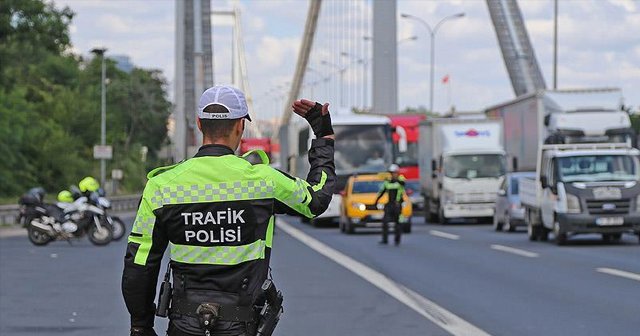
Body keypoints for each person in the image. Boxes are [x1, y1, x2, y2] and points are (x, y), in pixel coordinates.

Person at [122, 85, 336, 336]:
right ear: (240, 127)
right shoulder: (263, 181)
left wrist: (140, 325)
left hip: (184, 325)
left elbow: (139, 264)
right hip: (242, 325)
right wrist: (323, 135)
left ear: (200, 125)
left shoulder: (161, 186)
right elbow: (317, 199)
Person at [374, 164, 406, 246]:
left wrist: (397, 179)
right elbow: (381, 192)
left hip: (397, 205)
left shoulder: (400, 180)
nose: (393, 174)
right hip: (389, 204)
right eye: (391, 173)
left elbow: (403, 183)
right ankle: (385, 239)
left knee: (398, 223)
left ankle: (397, 240)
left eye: (394, 173)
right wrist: (376, 201)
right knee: (385, 222)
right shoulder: (387, 182)